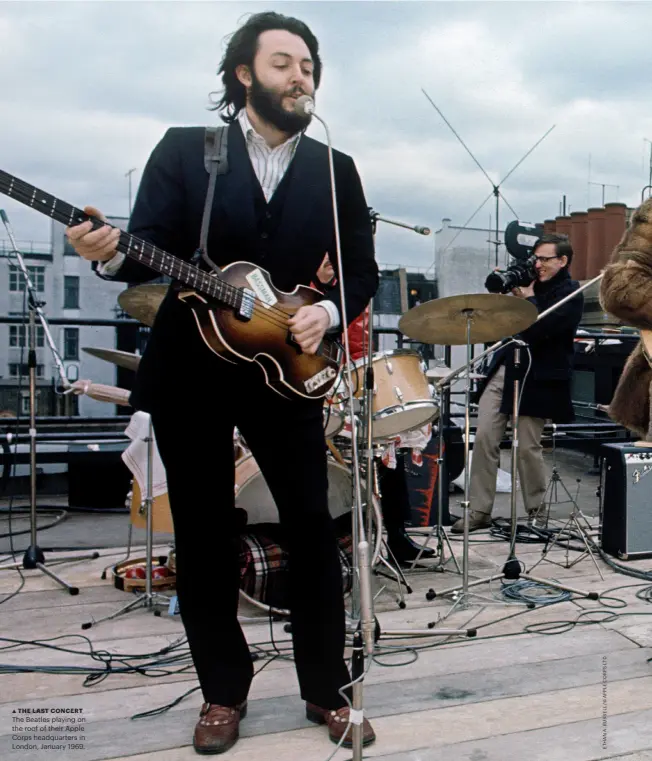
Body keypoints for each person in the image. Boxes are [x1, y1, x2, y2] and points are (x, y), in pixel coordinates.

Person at [66, 12, 378, 755]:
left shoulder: (336, 169)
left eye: (308, 64)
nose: (300, 75)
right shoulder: (187, 151)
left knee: (311, 526)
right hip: (192, 371)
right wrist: (104, 254)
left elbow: (361, 271)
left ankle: (326, 688)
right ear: (244, 74)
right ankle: (222, 693)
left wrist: (325, 314)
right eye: (282, 63)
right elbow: (142, 251)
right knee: (204, 536)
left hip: (286, 374)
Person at [451, 234, 583, 533]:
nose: (538, 265)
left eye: (545, 259)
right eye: (536, 259)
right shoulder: (524, 283)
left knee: (527, 446)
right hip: (507, 366)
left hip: (539, 374)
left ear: (562, 261)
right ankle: (479, 511)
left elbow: (546, 328)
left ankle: (537, 512)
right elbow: (500, 324)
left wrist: (529, 300)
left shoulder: (570, 291)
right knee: (484, 438)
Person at [314, 254, 435, 564]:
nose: (330, 261)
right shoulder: (301, 290)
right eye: (324, 257)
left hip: (352, 380)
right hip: (313, 381)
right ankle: (337, 538)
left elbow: (359, 348)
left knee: (387, 444)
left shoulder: (351, 291)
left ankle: (396, 535)